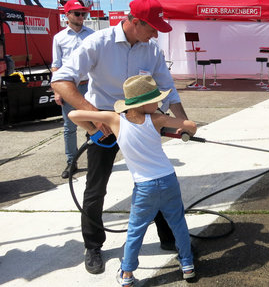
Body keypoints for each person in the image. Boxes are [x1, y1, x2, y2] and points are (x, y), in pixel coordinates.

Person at [52, 0, 188, 274]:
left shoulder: (151, 50)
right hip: (105, 119)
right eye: (152, 27)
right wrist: (93, 117)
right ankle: (93, 245)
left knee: (156, 176)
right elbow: (61, 81)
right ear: (135, 22)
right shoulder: (96, 43)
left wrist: (182, 122)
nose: (157, 34)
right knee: (96, 186)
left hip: (140, 120)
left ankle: (168, 238)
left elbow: (168, 89)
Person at [68, 75, 197, 285]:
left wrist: (93, 129)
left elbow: (73, 113)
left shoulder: (113, 119)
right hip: (168, 180)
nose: (158, 103)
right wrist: (184, 129)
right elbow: (191, 125)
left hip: (145, 186)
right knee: (178, 224)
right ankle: (188, 265)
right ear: (144, 103)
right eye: (155, 100)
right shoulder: (158, 119)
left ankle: (127, 274)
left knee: (136, 230)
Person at [51, 0, 94, 178]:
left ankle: (94, 159)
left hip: (89, 86)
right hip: (69, 88)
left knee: (92, 124)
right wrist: (57, 91)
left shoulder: (92, 35)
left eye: (83, 13)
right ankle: (71, 161)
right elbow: (56, 65)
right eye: (77, 13)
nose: (81, 16)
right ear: (67, 15)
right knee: (70, 127)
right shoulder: (59, 38)